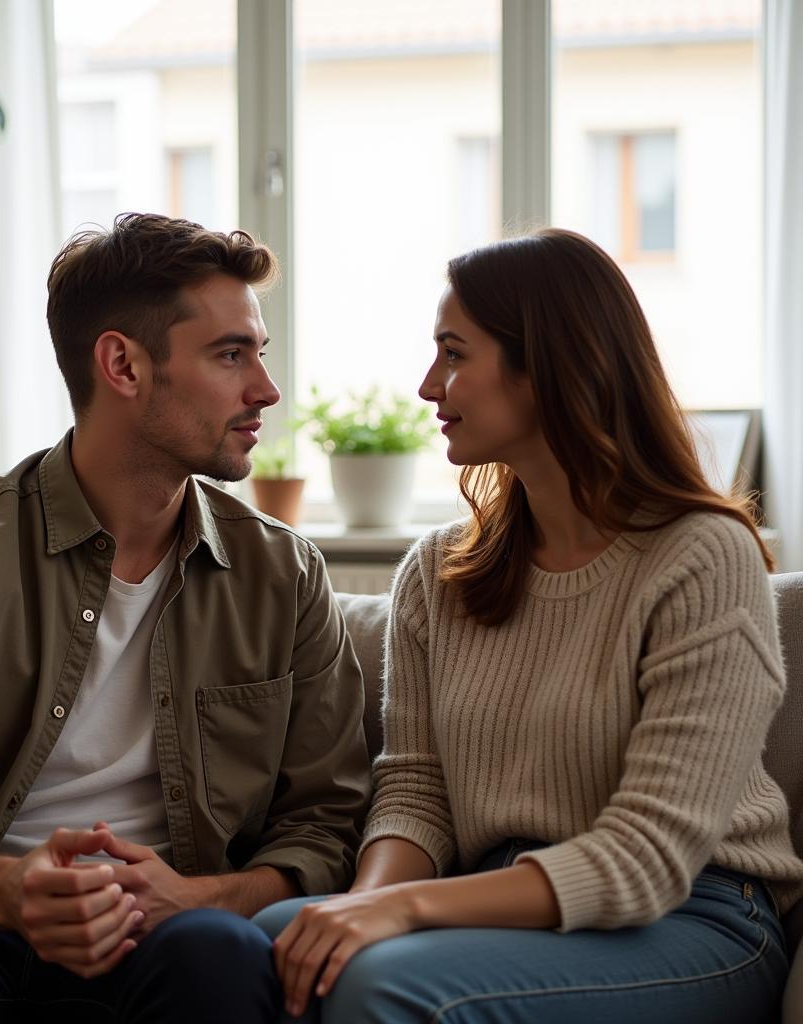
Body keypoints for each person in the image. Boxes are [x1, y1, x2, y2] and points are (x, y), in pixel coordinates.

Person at [0, 213, 371, 1023]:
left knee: (222, 956)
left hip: (173, 930)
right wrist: (14, 891)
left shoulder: (283, 572)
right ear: (123, 364)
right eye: (232, 354)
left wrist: (197, 896)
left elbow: (327, 821)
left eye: (257, 353)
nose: (265, 388)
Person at [255, 228, 803, 1023]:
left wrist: (400, 916)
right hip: (498, 900)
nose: (426, 385)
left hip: (692, 914)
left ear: (548, 365)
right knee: (269, 942)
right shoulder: (440, 570)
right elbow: (416, 794)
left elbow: (649, 857)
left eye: (453, 353)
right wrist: (362, 909)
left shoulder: (700, 557)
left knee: (381, 984)